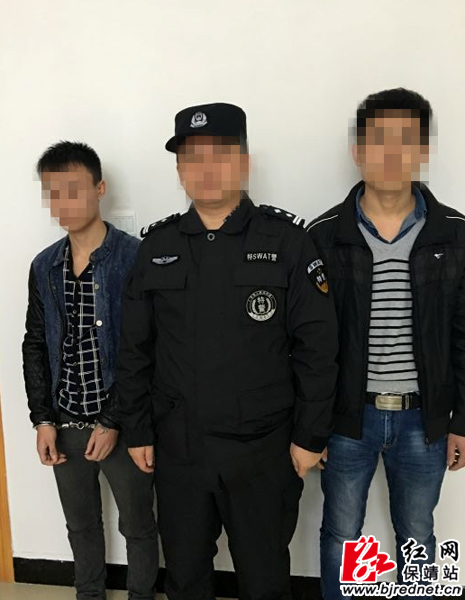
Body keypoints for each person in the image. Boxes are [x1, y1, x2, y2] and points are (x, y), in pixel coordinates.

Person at [116, 102, 338, 600]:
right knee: (185, 576)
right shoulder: (157, 247)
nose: (206, 168)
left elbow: (318, 349)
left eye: (220, 154)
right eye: (192, 158)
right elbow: (135, 349)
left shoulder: (287, 242)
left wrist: (310, 435)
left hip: (261, 450)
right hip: (179, 449)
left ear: (244, 162)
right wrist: (138, 429)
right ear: (179, 170)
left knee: (264, 578)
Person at [307, 88, 465, 599]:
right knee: (341, 534)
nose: (392, 154)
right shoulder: (324, 235)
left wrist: (461, 420)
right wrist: (312, 425)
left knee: (418, 534)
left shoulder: (455, 233)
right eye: (379, 140)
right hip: (346, 418)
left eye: (406, 140)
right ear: (358, 150)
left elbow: (464, 334)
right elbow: (308, 343)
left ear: (423, 150)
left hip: (425, 419)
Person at [22, 141, 159, 600]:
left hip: (124, 423)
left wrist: (113, 419)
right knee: (80, 525)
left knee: (138, 525)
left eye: (74, 190)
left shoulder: (135, 258)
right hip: (65, 422)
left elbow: (147, 348)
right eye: (54, 193)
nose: (64, 203)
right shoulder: (44, 265)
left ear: (99, 189)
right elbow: (35, 343)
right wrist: (42, 419)